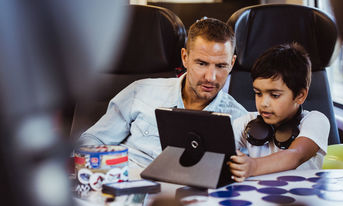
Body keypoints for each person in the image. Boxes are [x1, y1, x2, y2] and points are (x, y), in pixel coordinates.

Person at [78, 18, 247, 171]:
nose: (210, 77)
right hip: (123, 186)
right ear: (185, 57)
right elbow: (94, 140)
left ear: (232, 63)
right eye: (202, 63)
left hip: (185, 200)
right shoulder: (141, 91)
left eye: (221, 66)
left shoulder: (240, 120)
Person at [228, 42, 329, 182]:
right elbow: (218, 149)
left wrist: (253, 166)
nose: (263, 103)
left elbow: (295, 155)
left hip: (301, 201)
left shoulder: (316, 121)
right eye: (258, 93)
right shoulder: (247, 122)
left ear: (300, 95)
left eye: (274, 95)